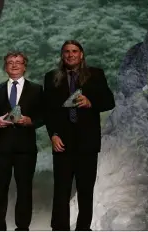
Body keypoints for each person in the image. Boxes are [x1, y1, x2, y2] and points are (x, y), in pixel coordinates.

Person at [43, 40, 115, 231]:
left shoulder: (96, 74)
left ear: (81, 54)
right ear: (62, 55)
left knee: (85, 191)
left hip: (87, 143)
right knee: (61, 191)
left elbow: (109, 101)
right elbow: (48, 112)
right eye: (66, 51)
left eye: (74, 51)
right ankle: (60, 228)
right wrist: (53, 135)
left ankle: (83, 229)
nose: (70, 54)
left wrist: (91, 102)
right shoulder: (51, 77)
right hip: (62, 142)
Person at [0, 51, 44, 231]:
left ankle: (22, 227)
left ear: (25, 66)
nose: (14, 65)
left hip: (25, 148)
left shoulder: (36, 89)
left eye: (18, 62)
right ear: (5, 67)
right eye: (10, 62)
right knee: (0, 189)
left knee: (25, 190)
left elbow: (44, 115)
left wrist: (30, 121)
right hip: (1, 148)